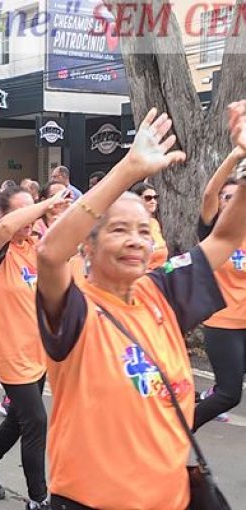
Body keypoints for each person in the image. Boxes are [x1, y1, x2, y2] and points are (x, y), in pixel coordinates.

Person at [34, 106, 246, 509]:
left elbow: (224, 238)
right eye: (119, 229)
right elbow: (49, 253)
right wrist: (128, 170)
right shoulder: (75, 310)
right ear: (88, 246)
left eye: (144, 231)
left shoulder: (162, 291)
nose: (136, 240)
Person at [0, 185, 70, 510]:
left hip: (37, 351)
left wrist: (58, 213)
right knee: (36, 421)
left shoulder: (34, 247)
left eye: (32, 209)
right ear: (3, 215)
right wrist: (45, 205)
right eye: (22, 211)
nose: (30, 218)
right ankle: (39, 500)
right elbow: (8, 228)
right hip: (9, 351)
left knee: (18, 418)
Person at [193, 144, 246, 431]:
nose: (231, 202)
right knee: (229, 394)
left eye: (237, 197)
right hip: (223, 323)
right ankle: (179, 431)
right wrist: (236, 155)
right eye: (226, 197)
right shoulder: (213, 235)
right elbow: (208, 194)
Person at [131, 182, 168, 270]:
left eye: (155, 197)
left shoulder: (154, 223)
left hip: (160, 273)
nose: (153, 201)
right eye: (148, 198)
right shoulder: (132, 225)